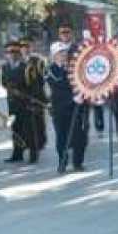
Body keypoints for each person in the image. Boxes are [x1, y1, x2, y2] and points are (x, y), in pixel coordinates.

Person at [46, 42, 88, 173]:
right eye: (60, 53)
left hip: (75, 108)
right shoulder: (50, 70)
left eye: (64, 52)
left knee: (79, 137)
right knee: (61, 137)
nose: (63, 55)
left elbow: (81, 82)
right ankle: (62, 161)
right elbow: (56, 90)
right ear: (54, 55)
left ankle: (78, 162)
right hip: (59, 109)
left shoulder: (73, 68)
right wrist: (71, 98)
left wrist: (82, 93)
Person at [1, 41, 44, 164]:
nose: (12, 54)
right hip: (12, 102)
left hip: (25, 103)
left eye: (15, 52)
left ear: (19, 53)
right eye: (9, 52)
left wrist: (28, 97)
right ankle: (17, 153)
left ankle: (33, 154)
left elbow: (34, 86)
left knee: (29, 129)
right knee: (15, 129)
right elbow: (3, 82)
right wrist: (10, 88)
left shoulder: (27, 67)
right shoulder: (5, 67)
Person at [19, 39, 47, 151]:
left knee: (38, 119)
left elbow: (43, 78)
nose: (25, 49)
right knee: (26, 120)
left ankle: (41, 141)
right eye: (23, 47)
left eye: (27, 47)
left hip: (37, 94)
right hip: (24, 95)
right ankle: (28, 142)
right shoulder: (19, 60)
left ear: (31, 47)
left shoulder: (38, 60)